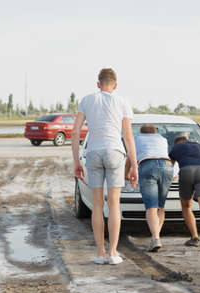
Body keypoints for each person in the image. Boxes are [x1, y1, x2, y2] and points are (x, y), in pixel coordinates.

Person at [71, 68, 138, 265]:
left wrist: (76, 161)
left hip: (93, 152)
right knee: (114, 204)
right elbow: (128, 136)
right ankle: (113, 253)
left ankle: (100, 253)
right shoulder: (122, 101)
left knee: (97, 205)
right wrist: (133, 165)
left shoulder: (86, 100)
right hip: (115, 152)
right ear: (115, 85)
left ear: (98, 84)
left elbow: (75, 133)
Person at [169, 133, 200, 251]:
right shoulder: (199, 145)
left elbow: (169, 166)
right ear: (186, 140)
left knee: (186, 206)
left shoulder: (176, 148)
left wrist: (171, 176)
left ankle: (195, 238)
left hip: (186, 171)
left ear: (176, 143)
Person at [132, 124, 173, 252]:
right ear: (155, 132)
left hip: (147, 164)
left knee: (151, 206)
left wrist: (127, 174)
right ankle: (156, 237)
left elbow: (130, 157)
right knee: (160, 206)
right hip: (167, 166)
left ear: (141, 132)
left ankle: (155, 238)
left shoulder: (137, 139)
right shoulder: (162, 139)